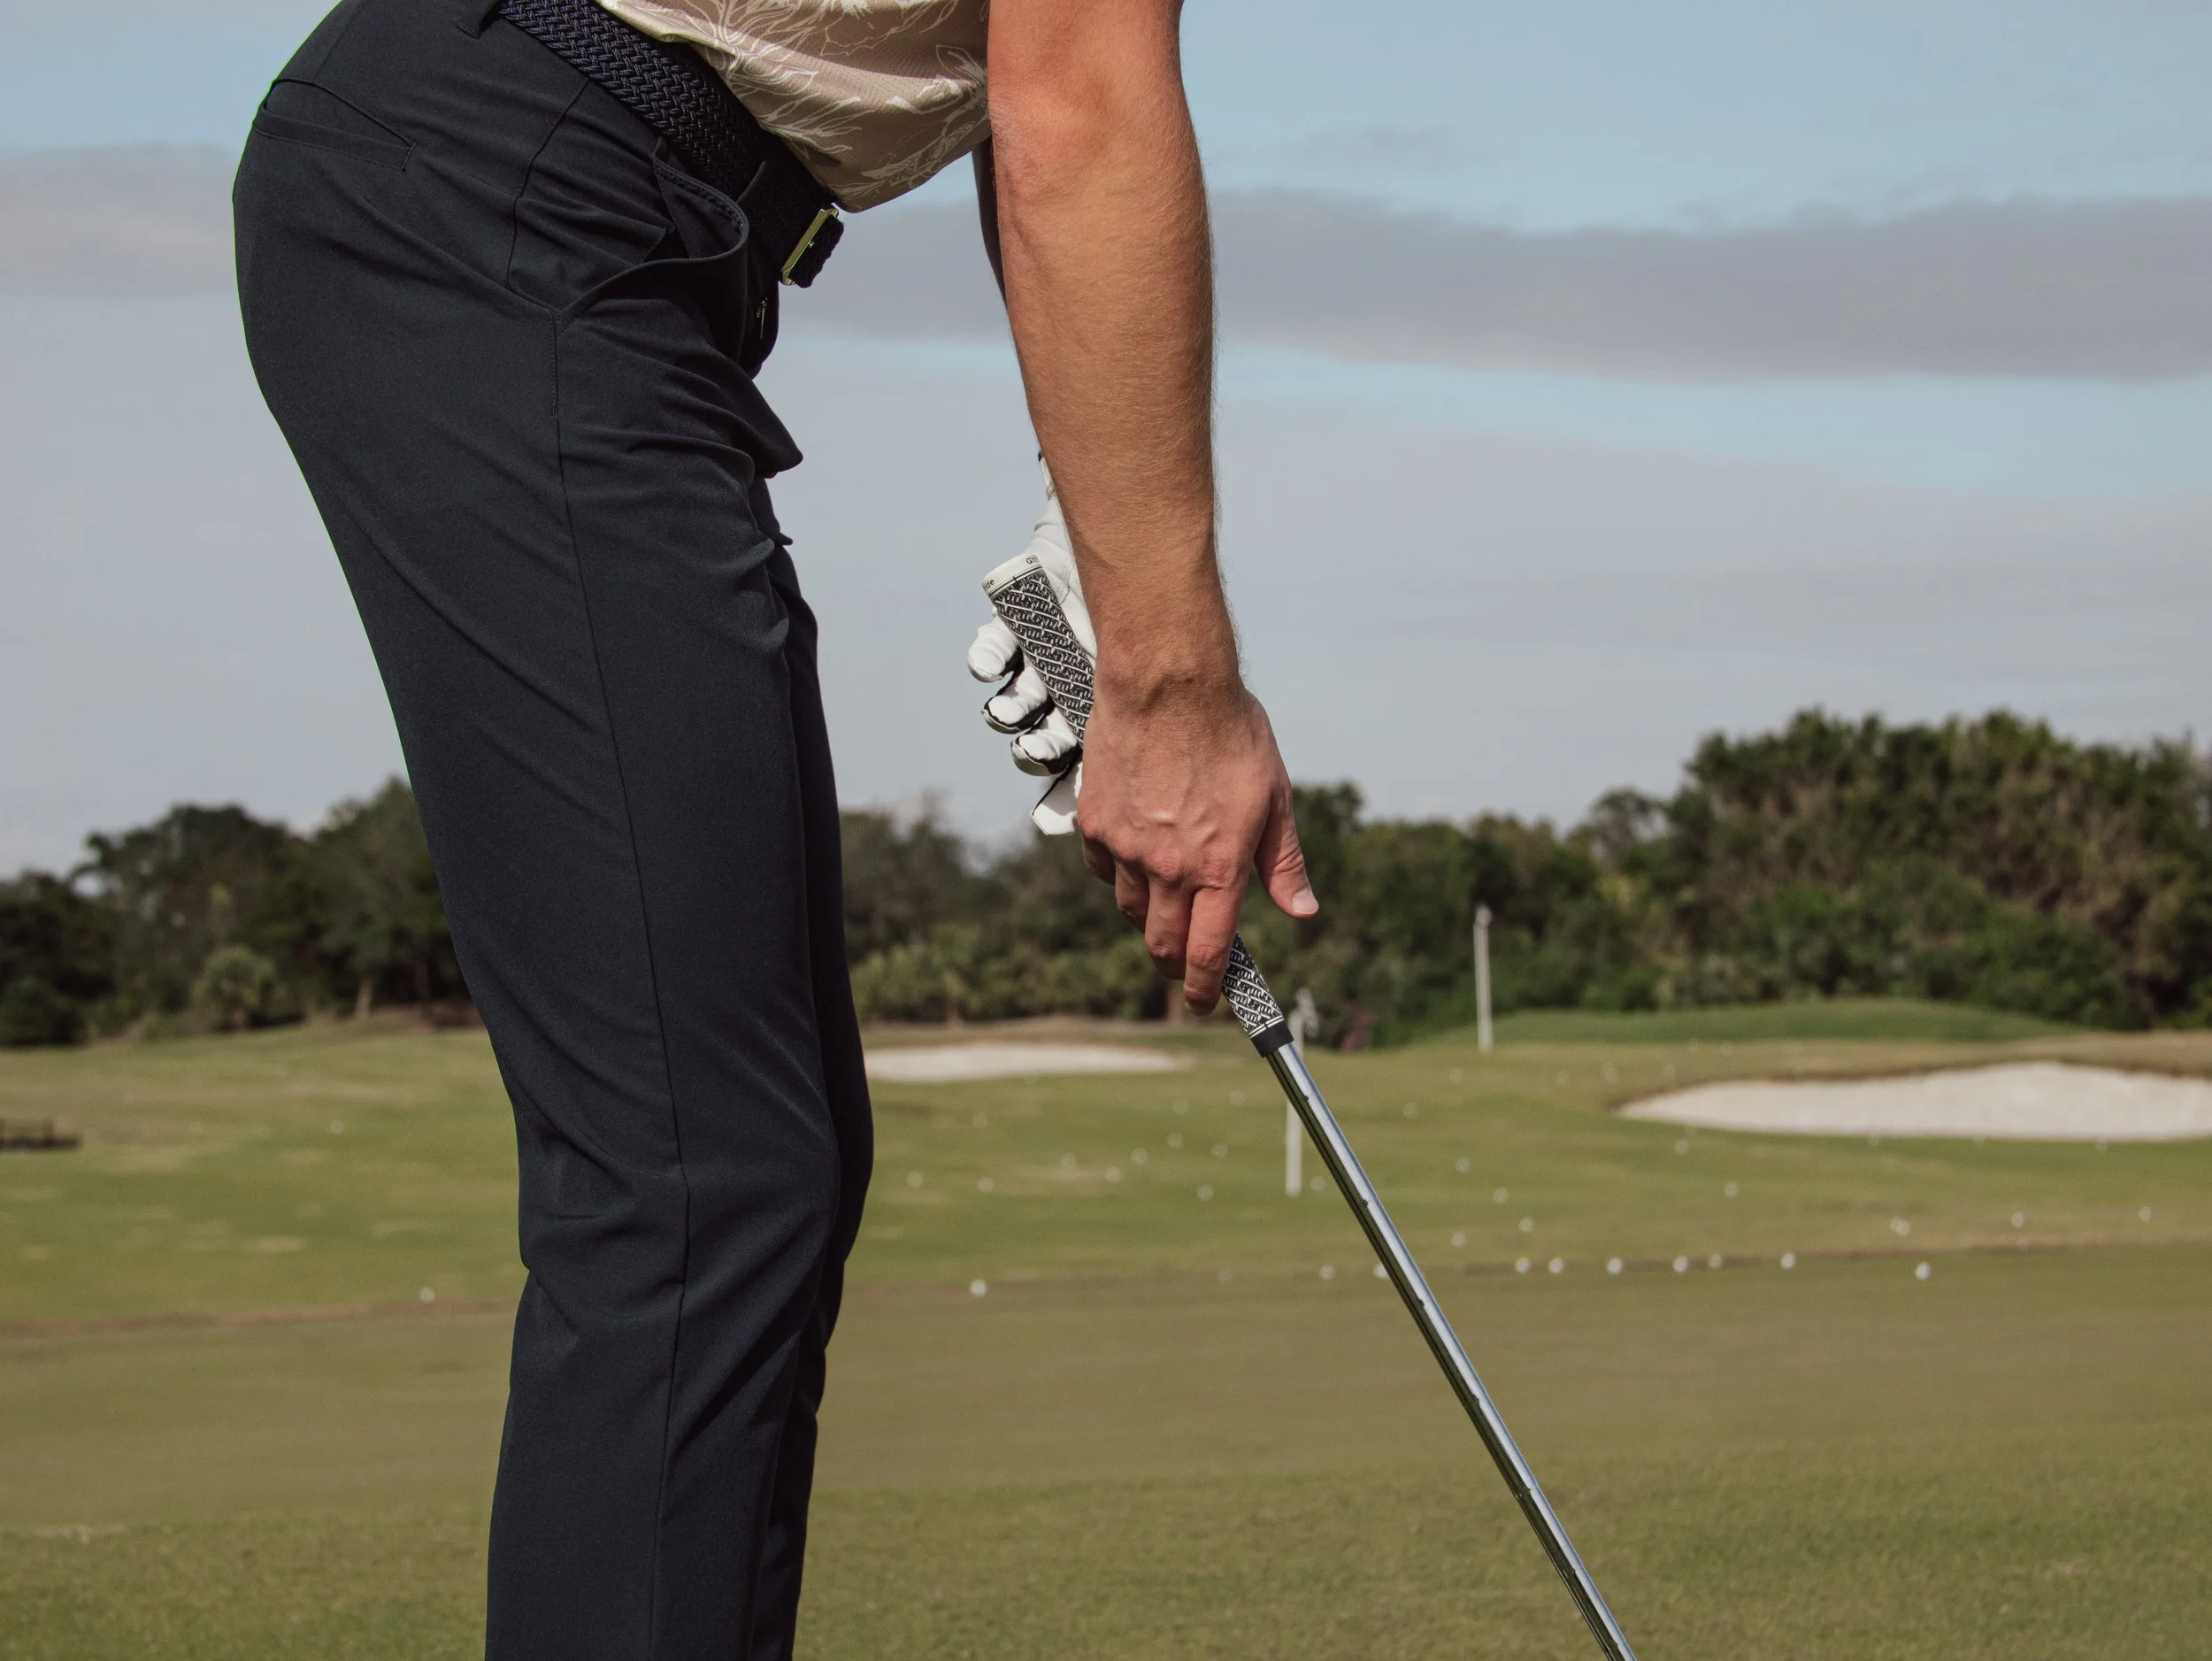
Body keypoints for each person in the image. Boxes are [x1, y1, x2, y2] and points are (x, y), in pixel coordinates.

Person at [233, 0, 1316, 1655]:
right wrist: (1171, 682)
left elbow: (1034, 93)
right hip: (514, 191)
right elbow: (1079, 97)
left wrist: (1093, 534)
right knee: (698, 1180)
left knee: (758, 1163)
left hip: (596, 223)